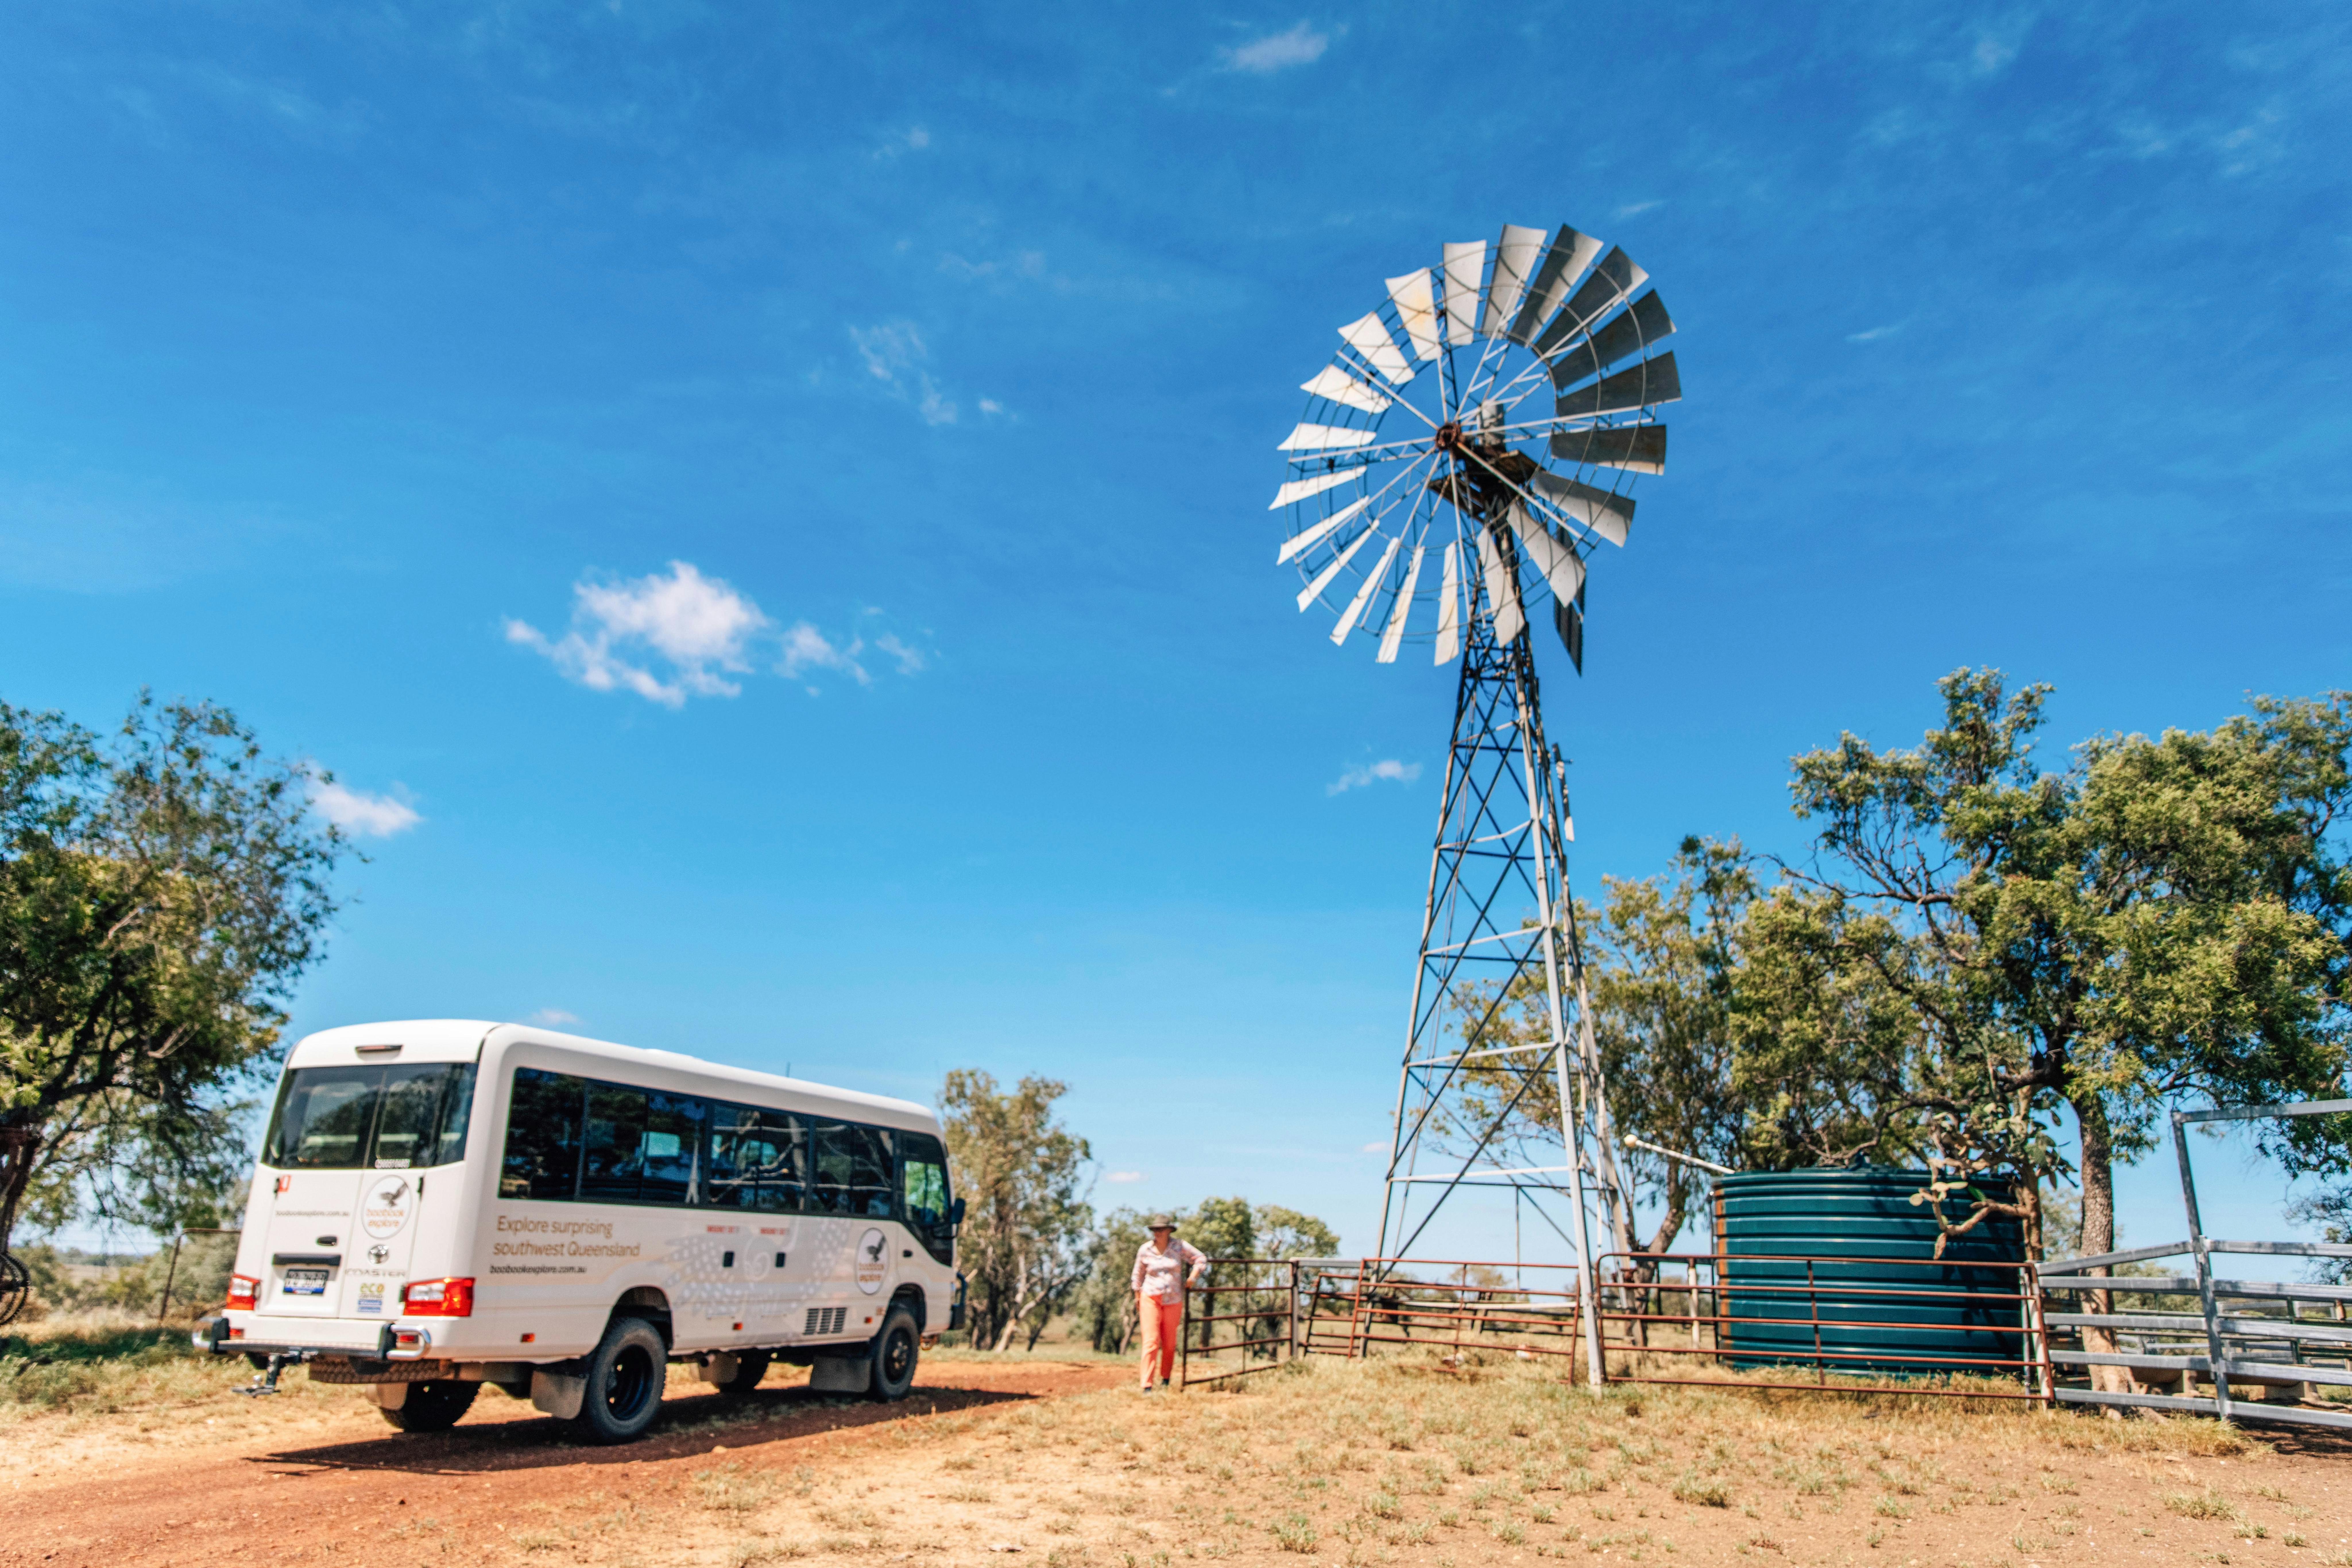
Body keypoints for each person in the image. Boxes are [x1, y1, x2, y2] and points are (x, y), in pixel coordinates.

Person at [1130, 1213, 1207, 1392]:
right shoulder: (1145, 1250)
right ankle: (1147, 1385)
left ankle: (1166, 1379)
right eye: (1155, 1229)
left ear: (1169, 1231)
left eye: (1161, 1229)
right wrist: (1137, 1295)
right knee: (1151, 1341)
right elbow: (1138, 1274)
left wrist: (1193, 1278)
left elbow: (1200, 1258)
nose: (1158, 1232)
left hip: (1173, 1300)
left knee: (1170, 1342)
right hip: (1150, 1297)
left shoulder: (1179, 1246)